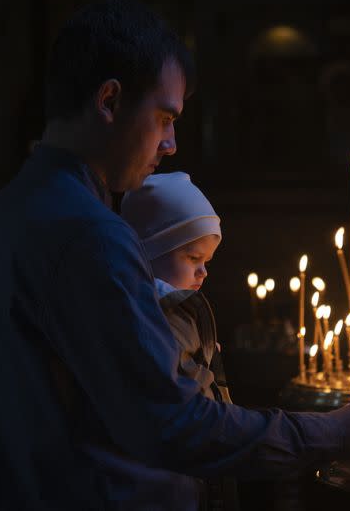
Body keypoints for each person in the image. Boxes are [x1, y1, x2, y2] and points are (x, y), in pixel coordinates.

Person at [0, 0, 350, 511]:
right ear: (108, 100)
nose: (170, 143)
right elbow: (171, 422)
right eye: (165, 118)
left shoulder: (5, 211)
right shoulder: (88, 234)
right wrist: (331, 431)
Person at [121, 171, 236, 507]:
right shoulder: (159, 315)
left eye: (207, 262)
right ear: (150, 253)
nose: (203, 272)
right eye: (192, 258)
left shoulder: (180, 311)